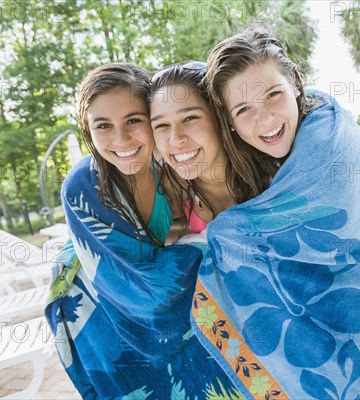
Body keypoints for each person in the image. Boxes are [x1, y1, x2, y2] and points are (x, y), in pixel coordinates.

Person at [189, 29, 360, 400]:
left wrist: (224, 230)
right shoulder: (266, 157)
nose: (264, 120)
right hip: (343, 314)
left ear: (295, 84)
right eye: (244, 110)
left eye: (272, 95)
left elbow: (310, 219)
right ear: (228, 121)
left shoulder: (330, 140)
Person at [44, 62, 242, 399]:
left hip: (162, 287)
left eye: (134, 120)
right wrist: (219, 243)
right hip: (98, 303)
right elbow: (145, 295)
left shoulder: (174, 159)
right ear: (86, 130)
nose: (121, 139)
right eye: (103, 125)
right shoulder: (83, 187)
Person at [149, 61, 236, 236]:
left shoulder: (270, 170)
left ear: (219, 116)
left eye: (189, 118)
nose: (175, 140)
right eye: (161, 125)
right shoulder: (172, 183)